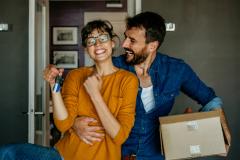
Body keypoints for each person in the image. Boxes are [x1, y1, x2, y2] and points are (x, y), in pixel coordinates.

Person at [71, 11, 230, 160]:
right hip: (114, 154)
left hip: (156, 155)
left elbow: (210, 99)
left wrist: (223, 130)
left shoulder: (176, 69)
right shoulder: (112, 66)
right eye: (126, 37)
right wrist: (74, 124)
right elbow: (74, 99)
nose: (124, 44)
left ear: (152, 46)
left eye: (132, 40)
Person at [44, 19, 138, 160]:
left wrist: (94, 94)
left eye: (103, 38)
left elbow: (119, 136)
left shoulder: (128, 80)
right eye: (91, 41)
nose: (97, 44)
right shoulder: (76, 76)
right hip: (66, 155)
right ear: (86, 49)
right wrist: (54, 85)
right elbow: (63, 125)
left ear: (112, 43)